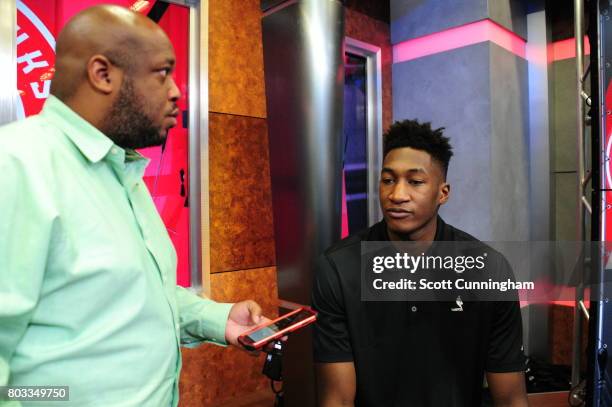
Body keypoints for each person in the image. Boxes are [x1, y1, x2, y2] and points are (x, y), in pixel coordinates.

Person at [0, 5, 267, 407]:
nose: (177, 91)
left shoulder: (121, 171)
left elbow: (133, 297)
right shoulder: (17, 167)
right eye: (163, 73)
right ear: (102, 74)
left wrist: (218, 320)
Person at [312, 120, 529, 406]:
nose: (397, 195)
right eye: (388, 180)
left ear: (443, 193)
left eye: (415, 182)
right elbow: (336, 398)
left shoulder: (489, 269)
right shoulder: (338, 268)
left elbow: (511, 397)